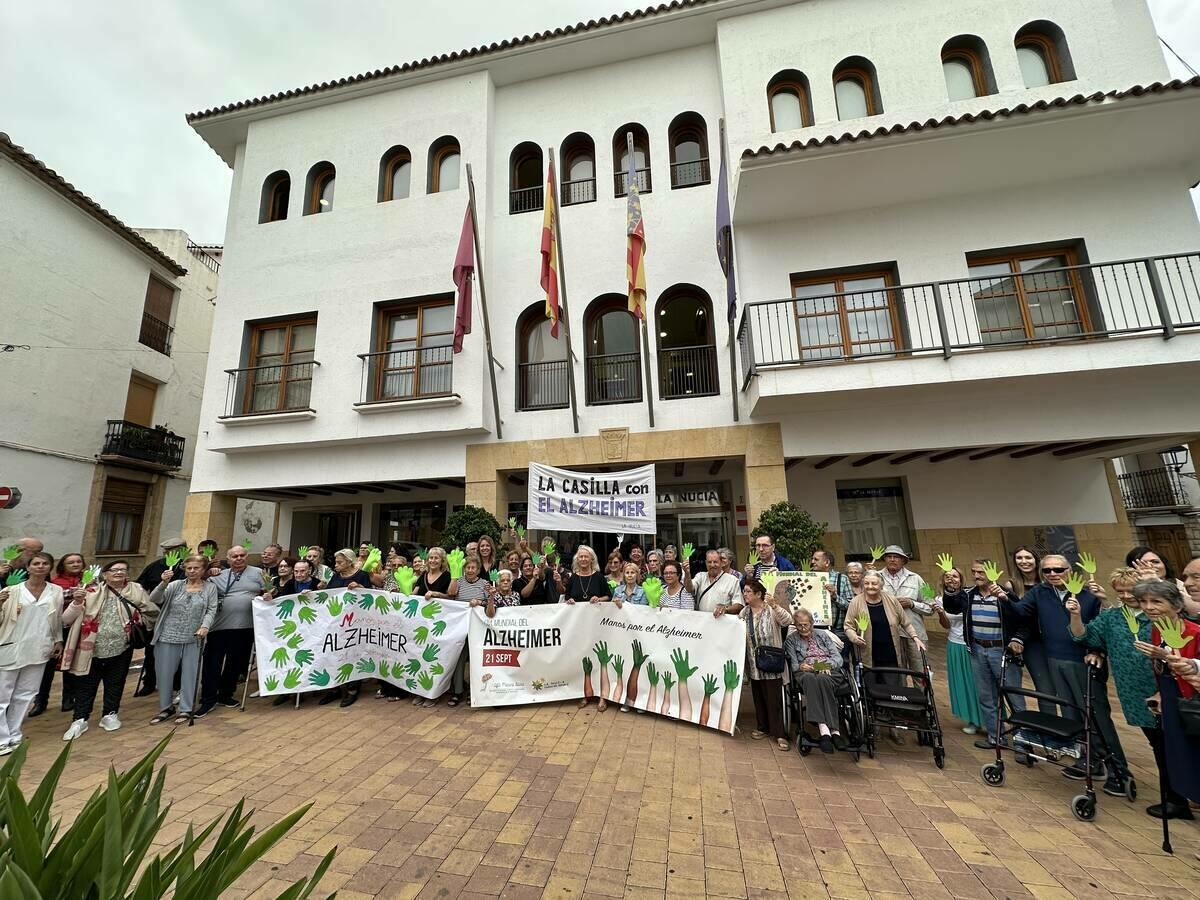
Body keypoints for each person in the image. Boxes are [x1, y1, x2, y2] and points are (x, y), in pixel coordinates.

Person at [1013, 554, 1119, 780]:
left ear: (1070, 570)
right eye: (1047, 571)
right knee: (1070, 712)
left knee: (1095, 715)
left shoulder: (1089, 592)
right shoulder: (1040, 593)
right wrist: (1001, 596)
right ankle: (1087, 759)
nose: (1053, 574)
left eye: (1058, 569)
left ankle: (1118, 770)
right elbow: (1019, 611)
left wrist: (1097, 649)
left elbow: (1108, 627)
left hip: (1083, 660)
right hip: (1055, 658)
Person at [1067, 567, 1161, 803]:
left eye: (1132, 591)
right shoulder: (1112, 616)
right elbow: (1083, 637)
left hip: (1161, 687)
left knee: (1169, 741)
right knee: (1156, 740)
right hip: (1131, 689)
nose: (1128, 596)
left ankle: (1178, 793)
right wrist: (1076, 615)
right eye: (1122, 591)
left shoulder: (1158, 615)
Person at [60, 560, 159, 741]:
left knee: (116, 682)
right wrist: (76, 601)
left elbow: (151, 611)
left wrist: (141, 621)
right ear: (104, 574)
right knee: (85, 684)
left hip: (122, 646)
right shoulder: (90, 592)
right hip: (91, 648)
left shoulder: (136, 590)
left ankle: (110, 713)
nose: (119, 573)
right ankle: (79, 719)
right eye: (114, 570)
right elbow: (66, 619)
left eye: (123, 569)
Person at [940, 560, 1025, 749]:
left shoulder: (1004, 593)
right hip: (978, 650)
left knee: (1013, 696)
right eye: (974, 572)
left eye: (981, 572)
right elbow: (952, 607)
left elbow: (1020, 618)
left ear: (992, 572)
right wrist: (951, 589)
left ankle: (1022, 741)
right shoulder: (969, 594)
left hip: (1001, 650)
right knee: (987, 696)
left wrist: (1004, 599)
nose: (977, 576)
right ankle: (996, 737)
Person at [1133, 580, 1200, 816]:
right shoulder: (1156, 629)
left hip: (1192, 700)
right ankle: (1184, 799)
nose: (1149, 607)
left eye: (1157, 602)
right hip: (1170, 695)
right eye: (1144, 602)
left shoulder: (1194, 632)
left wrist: (1170, 656)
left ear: (1176, 605)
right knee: (1178, 751)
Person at [843, 572, 925, 745]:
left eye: (874, 584)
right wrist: (854, 637)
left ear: (880, 585)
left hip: (890, 654)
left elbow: (906, 622)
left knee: (892, 692)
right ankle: (875, 727)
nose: (870, 587)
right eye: (867, 584)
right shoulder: (856, 602)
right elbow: (848, 625)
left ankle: (894, 728)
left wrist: (915, 637)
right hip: (868, 656)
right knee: (872, 692)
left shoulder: (891, 601)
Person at [0, 552, 62, 753]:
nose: (40, 566)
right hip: (11, 646)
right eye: (36, 563)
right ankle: (1, 738)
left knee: (25, 695)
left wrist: (58, 640)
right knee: (2, 696)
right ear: (28, 567)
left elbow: (57, 619)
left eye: (45, 563)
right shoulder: (12, 590)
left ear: (50, 567)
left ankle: (14, 733)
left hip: (39, 648)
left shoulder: (56, 591)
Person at [196, 546, 265, 718]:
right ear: (228, 558)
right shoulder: (218, 574)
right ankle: (208, 699)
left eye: (242, 555)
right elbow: (199, 584)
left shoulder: (258, 573)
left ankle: (226, 694)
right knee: (212, 663)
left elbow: (269, 591)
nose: (239, 558)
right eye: (235, 556)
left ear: (247, 556)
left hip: (245, 627)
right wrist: (207, 573)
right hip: (219, 626)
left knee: (236, 664)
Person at [148, 555, 216, 724]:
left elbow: (211, 609)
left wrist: (205, 626)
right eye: (189, 568)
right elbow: (155, 599)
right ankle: (166, 708)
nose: (192, 571)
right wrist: (163, 583)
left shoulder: (210, 588)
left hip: (194, 637)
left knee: (190, 674)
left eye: (196, 568)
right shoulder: (174, 585)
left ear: (203, 570)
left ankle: (185, 708)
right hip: (168, 635)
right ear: (184, 569)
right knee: (164, 674)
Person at [132, 537, 189, 699]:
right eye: (167, 551)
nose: (168, 553)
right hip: (158, 615)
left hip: (181, 616)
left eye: (173, 550)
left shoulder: (189, 566)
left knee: (179, 653)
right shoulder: (155, 567)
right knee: (152, 651)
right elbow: (140, 587)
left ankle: (177, 684)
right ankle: (149, 682)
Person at [739, 576, 792, 751]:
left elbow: (787, 621)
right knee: (758, 695)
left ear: (758, 594)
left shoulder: (771, 610)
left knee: (774, 698)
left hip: (771, 661)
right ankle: (763, 727)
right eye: (744, 591)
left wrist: (775, 605)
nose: (745, 594)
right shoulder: (745, 613)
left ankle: (780, 733)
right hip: (754, 663)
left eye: (748, 592)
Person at [785, 608, 847, 752]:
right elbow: (794, 666)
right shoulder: (791, 640)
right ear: (795, 625)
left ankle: (833, 731)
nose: (803, 628)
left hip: (828, 670)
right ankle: (825, 730)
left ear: (812, 624)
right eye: (799, 625)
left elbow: (837, 659)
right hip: (805, 672)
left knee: (823, 678)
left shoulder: (823, 635)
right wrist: (802, 665)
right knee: (810, 678)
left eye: (806, 624)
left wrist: (821, 666)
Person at [931, 567, 984, 736]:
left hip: (974, 643)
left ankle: (989, 718)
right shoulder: (941, 599)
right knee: (964, 683)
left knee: (980, 682)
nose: (951, 579)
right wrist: (941, 613)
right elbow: (947, 625)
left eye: (954, 576)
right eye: (947, 576)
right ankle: (973, 719)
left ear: (961, 579)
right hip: (955, 643)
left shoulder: (970, 595)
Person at [322, 549, 373, 708]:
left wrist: (360, 587)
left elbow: (370, 597)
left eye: (339, 562)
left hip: (355, 622)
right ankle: (335, 688)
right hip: (337, 622)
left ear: (349, 562)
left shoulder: (361, 575)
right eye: (336, 562)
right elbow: (328, 595)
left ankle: (352, 688)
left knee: (353, 654)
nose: (336, 565)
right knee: (335, 653)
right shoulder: (336, 576)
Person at [41, 553, 85, 715]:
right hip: (56, 628)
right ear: (63, 565)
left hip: (78, 628)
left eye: (78, 561)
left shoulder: (90, 581)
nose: (75, 564)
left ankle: (68, 699)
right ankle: (41, 700)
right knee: (48, 665)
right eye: (71, 562)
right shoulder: (54, 583)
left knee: (71, 664)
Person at [875, 546, 932, 655]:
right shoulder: (876, 578)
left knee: (919, 668)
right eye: (889, 557)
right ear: (884, 560)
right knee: (896, 670)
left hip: (915, 633)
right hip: (887, 634)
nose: (892, 559)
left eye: (896, 557)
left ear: (903, 560)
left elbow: (930, 607)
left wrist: (912, 604)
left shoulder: (917, 578)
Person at [810, 550, 853, 632]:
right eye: (812, 559)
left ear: (827, 562)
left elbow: (851, 607)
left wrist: (835, 596)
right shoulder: (808, 579)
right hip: (813, 630)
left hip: (836, 631)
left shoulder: (842, 579)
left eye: (816, 559)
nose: (812, 562)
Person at [690, 550, 741, 615]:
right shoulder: (700, 577)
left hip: (722, 622)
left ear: (721, 563)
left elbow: (739, 605)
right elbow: (690, 589)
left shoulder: (732, 580)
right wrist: (687, 573)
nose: (712, 565)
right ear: (706, 563)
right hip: (702, 622)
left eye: (715, 562)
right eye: (709, 562)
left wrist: (725, 609)